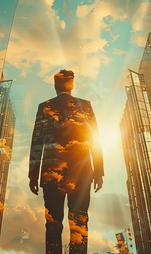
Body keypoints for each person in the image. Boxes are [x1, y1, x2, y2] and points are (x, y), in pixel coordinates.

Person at [29, 69, 104, 254]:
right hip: (81, 171)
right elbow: (95, 138)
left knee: (53, 222)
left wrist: (33, 174)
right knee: (79, 220)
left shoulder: (44, 106)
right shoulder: (85, 105)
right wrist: (99, 171)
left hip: (51, 171)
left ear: (55, 86)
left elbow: (37, 140)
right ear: (72, 85)